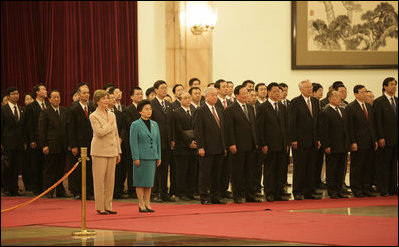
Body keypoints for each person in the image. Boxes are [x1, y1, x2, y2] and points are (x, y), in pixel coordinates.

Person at [225, 85, 260, 203]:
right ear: (237, 95)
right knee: (237, 172)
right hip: (238, 146)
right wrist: (232, 144)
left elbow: (253, 126)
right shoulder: (231, 109)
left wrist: (256, 142)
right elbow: (229, 129)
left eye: (247, 93)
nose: (246, 95)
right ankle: (238, 195)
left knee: (250, 172)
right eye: (243, 93)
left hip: (251, 145)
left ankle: (250, 195)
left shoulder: (250, 108)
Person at [256, 83, 290, 202]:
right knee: (270, 169)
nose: (278, 94)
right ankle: (269, 192)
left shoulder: (282, 107)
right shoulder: (262, 107)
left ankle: (279, 192)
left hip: (281, 144)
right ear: (269, 92)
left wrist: (286, 143)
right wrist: (263, 144)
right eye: (275, 91)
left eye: (279, 92)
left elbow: (286, 127)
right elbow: (260, 128)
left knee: (280, 169)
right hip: (269, 145)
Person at [90, 90, 121, 215]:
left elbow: (116, 134)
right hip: (99, 150)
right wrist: (109, 123)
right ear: (97, 101)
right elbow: (99, 132)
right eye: (103, 99)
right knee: (99, 180)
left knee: (110, 180)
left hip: (112, 150)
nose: (106, 101)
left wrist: (118, 151)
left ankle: (108, 205)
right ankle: (100, 206)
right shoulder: (94, 116)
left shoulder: (112, 114)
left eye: (107, 98)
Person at [289, 80, 322, 200]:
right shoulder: (295, 102)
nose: (309, 89)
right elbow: (292, 122)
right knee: (300, 167)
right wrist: (293, 139)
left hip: (313, 140)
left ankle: (309, 190)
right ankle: (297, 191)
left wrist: (318, 138)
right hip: (300, 141)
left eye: (310, 87)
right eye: (307, 87)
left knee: (311, 167)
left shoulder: (315, 101)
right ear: (301, 89)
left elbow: (317, 122)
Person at [194, 87, 227, 205]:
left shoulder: (219, 109)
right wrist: (200, 147)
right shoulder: (201, 110)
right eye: (212, 95)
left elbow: (222, 130)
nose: (215, 97)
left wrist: (224, 146)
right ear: (206, 96)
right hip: (206, 148)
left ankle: (215, 196)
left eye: (216, 95)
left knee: (217, 174)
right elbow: (198, 130)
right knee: (205, 174)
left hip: (219, 147)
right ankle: (204, 196)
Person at [346, 85, 378, 198]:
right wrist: (352, 142)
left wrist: (374, 140)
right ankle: (357, 189)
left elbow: (372, 125)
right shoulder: (351, 107)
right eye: (362, 92)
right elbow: (349, 127)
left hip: (369, 141)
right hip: (358, 142)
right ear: (356, 94)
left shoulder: (369, 107)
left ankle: (366, 188)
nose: (365, 94)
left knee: (367, 166)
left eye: (365, 92)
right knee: (357, 167)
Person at [130, 99, 161, 212]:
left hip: (152, 156)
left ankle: (148, 202)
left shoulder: (154, 124)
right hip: (141, 157)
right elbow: (133, 142)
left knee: (149, 182)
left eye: (150, 109)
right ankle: (141, 203)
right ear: (140, 111)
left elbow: (158, 141)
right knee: (140, 181)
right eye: (146, 109)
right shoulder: (135, 124)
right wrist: (136, 157)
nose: (149, 111)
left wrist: (158, 156)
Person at [38, 90, 69, 198]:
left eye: (58, 97)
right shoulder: (45, 112)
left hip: (63, 146)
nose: (56, 99)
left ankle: (60, 191)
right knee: (50, 169)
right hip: (51, 145)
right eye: (54, 97)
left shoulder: (65, 110)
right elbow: (41, 130)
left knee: (60, 170)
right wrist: (44, 145)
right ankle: (48, 191)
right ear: (49, 99)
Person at [320, 90, 350, 199]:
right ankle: (332, 191)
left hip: (343, 145)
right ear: (330, 99)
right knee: (332, 169)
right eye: (336, 97)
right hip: (333, 146)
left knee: (341, 169)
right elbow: (324, 131)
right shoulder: (326, 112)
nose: (339, 99)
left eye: (339, 97)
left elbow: (346, 129)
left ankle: (339, 189)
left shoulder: (343, 110)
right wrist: (326, 145)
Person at [68, 82, 95, 200]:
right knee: (77, 168)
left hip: (91, 143)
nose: (87, 95)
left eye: (88, 92)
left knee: (89, 168)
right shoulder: (73, 108)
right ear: (78, 94)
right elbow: (70, 128)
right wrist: (73, 145)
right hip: (78, 144)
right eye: (84, 93)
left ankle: (88, 191)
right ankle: (76, 191)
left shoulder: (93, 107)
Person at [150, 80, 175, 202]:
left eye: (166, 88)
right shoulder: (151, 105)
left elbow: (171, 124)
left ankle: (164, 193)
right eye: (162, 88)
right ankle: (154, 193)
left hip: (167, 141)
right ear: (155, 90)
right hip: (156, 141)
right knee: (156, 168)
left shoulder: (168, 104)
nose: (165, 90)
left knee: (165, 168)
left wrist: (172, 139)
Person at [373, 77, 398, 196]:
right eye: (391, 84)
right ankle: (383, 188)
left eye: (395, 84)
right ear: (385, 87)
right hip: (385, 139)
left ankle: (393, 188)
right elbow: (377, 121)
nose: (394, 87)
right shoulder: (379, 101)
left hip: (396, 139)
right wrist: (380, 137)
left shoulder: (397, 100)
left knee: (394, 165)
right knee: (384, 164)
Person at [1, 87, 27, 196]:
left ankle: (14, 188)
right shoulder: (3, 109)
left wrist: (25, 141)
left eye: (17, 93)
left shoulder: (22, 109)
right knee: (7, 166)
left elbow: (25, 127)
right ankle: (6, 188)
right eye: (13, 94)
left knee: (17, 167)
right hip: (7, 143)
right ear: (8, 96)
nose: (16, 95)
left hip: (20, 143)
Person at [172, 92, 198, 200]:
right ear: (180, 100)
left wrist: (196, 141)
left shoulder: (195, 111)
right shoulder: (176, 113)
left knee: (192, 170)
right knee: (182, 170)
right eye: (185, 98)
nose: (188, 100)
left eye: (189, 98)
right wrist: (188, 142)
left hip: (195, 144)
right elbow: (178, 130)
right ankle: (181, 192)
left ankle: (190, 192)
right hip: (182, 146)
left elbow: (198, 127)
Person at [25, 83, 50, 195]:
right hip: (36, 140)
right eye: (43, 90)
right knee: (36, 165)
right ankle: (36, 188)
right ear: (37, 92)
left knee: (46, 165)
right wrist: (31, 140)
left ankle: (46, 187)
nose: (46, 91)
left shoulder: (48, 105)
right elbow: (29, 125)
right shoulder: (31, 106)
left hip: (47, 140)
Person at [123, 87, 143, 198]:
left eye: (141, 94)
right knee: (132, 168)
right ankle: (131, 190)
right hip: (132, 143)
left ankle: (141, 188)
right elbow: (130, 126)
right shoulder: (128, 110)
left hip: (143, 143)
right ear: (131, 97)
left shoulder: (145, 108)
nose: (140, 96)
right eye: (137, 94)